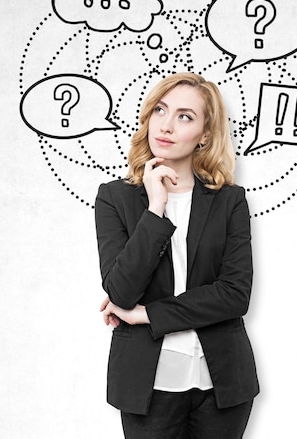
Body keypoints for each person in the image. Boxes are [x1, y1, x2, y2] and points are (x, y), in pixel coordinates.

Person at [95, 72, 259, 438]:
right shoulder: (115, 198)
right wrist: (155, 209)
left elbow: (234, 295)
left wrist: (148, 314)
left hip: (222, 382)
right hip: (147, 382)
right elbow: (121, 292)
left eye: (185, 116)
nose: (166, 125)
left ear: (205, 134)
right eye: (161, 111)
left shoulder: (229, 201)